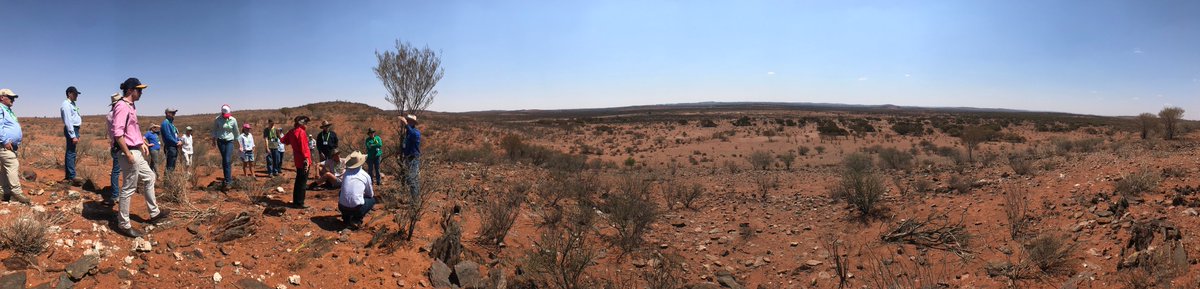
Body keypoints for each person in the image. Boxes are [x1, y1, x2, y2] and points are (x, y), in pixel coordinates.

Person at [110, 78, 169, 237]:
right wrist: (128, 153)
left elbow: (132, 129)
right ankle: (123, 224)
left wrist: (141, 141)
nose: (141, 92)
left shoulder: (131, 105)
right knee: (129, 188)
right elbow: (118, 134)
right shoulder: (122, 106)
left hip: (135, 150)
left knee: (150, 176)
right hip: (128, 152)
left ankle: (154, 213)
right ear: (130, 90)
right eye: (139, 89)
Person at [0, 89, 29, 205]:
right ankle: (16, 193)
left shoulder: (7, 110)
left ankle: (4, 192)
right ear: (2, 97)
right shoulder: (0, 108)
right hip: (4, 144)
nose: (13, 100)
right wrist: (5, 140)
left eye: (14, 98)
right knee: (12, 164)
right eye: (10, 97)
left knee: (4, 169)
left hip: (8, 145)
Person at [337, 151, 375, 230]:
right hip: (357, 209)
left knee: (341, 193)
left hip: (341, 207)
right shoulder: (365, 175)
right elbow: (370, 194)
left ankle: (346, 217)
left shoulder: (345, 173)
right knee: (372, 200)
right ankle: (357, 219)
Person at [281, 116, 312, 208]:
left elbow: (283, 140)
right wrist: (306, 159)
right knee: (302, 181)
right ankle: (300, 202)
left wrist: (279, 134)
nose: (306, 125)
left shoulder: (291, 131)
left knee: (298, 180)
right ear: (301, 123)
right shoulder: (301, 132)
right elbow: (304, 147)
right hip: (303, 159)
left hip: (298, 159)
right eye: (305, 123)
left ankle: (296, 201)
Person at [211, 104, 239, 188]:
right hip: (221, 141)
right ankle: (226, 177)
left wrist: (239, 144)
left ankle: (228, 180)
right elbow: (214, 130)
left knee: (227, 159)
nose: (226, 117)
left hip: (229, 141)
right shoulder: (217, 119)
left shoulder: (233, 120)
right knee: (224, 160)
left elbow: (236, 132)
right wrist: (213, 141)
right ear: (222, 113)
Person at [61, 86, 83, 183]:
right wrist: (73, 135)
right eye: (75, 94)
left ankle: (69, 175)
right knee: (71, 153)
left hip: (75, 129)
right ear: (69, 94)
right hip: (72, 129)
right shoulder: (66, 105)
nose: (77, 96)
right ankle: (72, 176)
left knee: (71, 152)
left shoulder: (72, 104)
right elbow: (68, 121)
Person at [104, 92, 122, 207]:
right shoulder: (116, 114)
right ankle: (115, 195)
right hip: (118, 146)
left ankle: (116, 194)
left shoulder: (109, 115)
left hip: (113, 146)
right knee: (117, 171)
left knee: (116, 170)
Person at [400, 115, 422, 200]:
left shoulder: (416, 132)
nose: (408, 121)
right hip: (408, 158)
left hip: (413, 158)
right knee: (411, 179)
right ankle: (414, 198)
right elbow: (405, 144)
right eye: (407, 120)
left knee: (412, 179)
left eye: (409, 121)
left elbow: (413, 135)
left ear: (413, 122)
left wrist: (406, 124)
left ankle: (415, 201)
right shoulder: (408, 133)